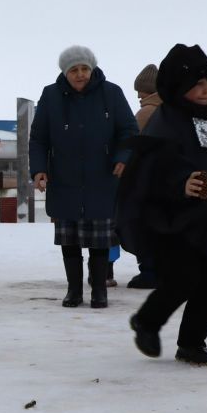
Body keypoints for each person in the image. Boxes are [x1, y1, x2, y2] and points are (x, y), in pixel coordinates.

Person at [120, 44, 207, 366]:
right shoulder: (165, 122)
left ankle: (192, 343)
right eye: (198, 84)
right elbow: (149, 170)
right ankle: (147, 321)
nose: (205, 90)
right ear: (179, 86)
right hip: (173, 221)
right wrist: (180, 184)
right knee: (182, 279)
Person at [29, 45, 138, 309]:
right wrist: (39, 168)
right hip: (64, 179)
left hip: (102, 178)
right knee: (70, 240)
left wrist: (123, 158)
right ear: (65, 72)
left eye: (85, 69)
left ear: (93, 69)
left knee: (99, 241)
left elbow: (129, 132)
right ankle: (74, 291)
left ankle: (99, 291)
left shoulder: (111, 93)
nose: (80, 75)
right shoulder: (51, 95)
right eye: (74, 70)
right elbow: (39, 138)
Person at [127, 63, 162, 290]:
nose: (138, 95)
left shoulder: (146, 112)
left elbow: (131, 145)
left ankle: (149, 272)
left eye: (140, 90)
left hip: (147, 181)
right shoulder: (174, 110)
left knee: (145, 228)